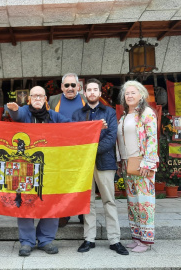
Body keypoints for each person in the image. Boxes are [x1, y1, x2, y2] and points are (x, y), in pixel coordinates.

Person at [7, 86, 70, 257]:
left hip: (50, 168)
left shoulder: (54, 117)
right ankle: (26, 242)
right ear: (29, 99)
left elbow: (73, 128)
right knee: (25, 202)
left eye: (40, 96)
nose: (36, 98)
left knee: (51, 202)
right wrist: (13, 110)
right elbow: (17, 115)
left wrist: (94, 127)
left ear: (45, 98)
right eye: (33, 95)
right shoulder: (24, 113)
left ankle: (46, 240)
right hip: (25, 169)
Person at [72, 79, 129, 255]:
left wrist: (90, 148)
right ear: (84, 92)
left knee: (109, 200)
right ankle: (89, 239)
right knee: (87, 202)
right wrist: (89, 144)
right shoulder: (78, 114)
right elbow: (76, 138)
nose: (92, 92)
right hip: (85, 165)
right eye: (89, 90)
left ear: (99, 92)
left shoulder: (109, 112)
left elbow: (111, 137)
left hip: (105, 161)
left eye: (95, 89)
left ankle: (114, 239)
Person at [117, 80, 158, 253]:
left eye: (133, 92)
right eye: (127, 93)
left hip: (142, 163)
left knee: (144, 202)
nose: (130, 95)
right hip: (128, 163)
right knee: (133, 202)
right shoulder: (125, 116)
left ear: (141, 95)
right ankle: (137, 237)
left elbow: (152, 138)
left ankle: (146, 241)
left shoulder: (147, 113)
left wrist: (148, 162)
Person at [48, 73, 87, 227]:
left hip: (81, 149)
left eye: (73, 85)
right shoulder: (53, 100)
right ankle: (64, 214)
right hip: (60, 150)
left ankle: (83, 214)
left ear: (79, 86)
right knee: (62, 183)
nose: (70, 88)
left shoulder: (86, 99)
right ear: (62, 87)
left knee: (82, 182)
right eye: (66, 85)